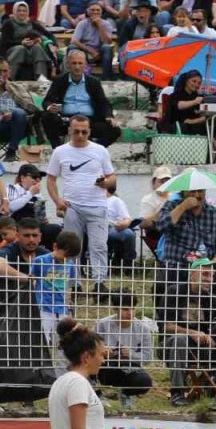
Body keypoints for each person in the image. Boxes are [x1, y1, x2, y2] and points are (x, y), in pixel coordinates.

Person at [46, 116, 115, 293]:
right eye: (76, 131)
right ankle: (74, 284)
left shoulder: (100, 150)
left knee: (99, 246)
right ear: (69, 130)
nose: (80, 135)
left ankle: (99, 283)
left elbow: (112, 177)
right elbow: (51, 179)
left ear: (89, 131)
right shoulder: (60, 151)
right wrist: (57, 200)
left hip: (97, 205)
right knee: (72, 247)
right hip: (72, 206)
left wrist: (105, 183)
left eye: (84, 132)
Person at [40, 50, 121, 147]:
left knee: (114, 130)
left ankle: (93, 149)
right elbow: (47, 101)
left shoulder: (94, 82)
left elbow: (103, 102)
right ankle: (58, 149)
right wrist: (50, 107)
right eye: (74, 63)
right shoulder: (59, 80)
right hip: (66, 121)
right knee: (47, 117)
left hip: (89, 121)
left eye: (80, 63)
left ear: (85, 65)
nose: (77, 67)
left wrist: (109, 116)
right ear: (68, 64)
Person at [94, 290, 154, 408]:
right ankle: (97, 394)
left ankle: (126, 393)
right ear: (116, 309)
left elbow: (148, 357)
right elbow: (90, 348)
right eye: (125, 309)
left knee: (145, 381)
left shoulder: (143, 328)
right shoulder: (102, 324)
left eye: (132, 309)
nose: (130, 313)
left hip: (130, 367)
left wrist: (130, 354)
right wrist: (103, 351)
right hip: (105, 366)